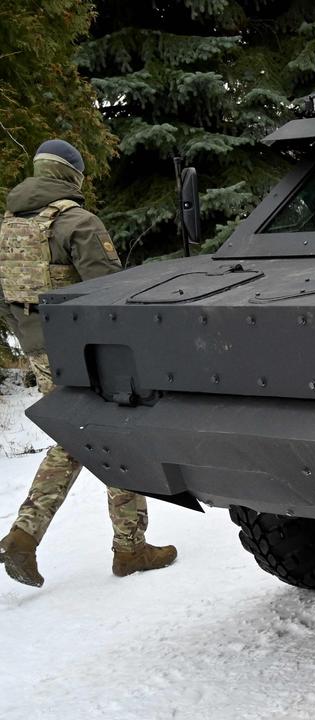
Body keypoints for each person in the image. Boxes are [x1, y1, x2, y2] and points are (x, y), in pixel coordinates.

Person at [0, 140, 177, 588]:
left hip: (38, 351)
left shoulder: (6, 226)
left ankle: (28, 535)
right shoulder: (78, 222)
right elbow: (109, 296)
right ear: (72, 175)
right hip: (87, 353)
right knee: (111, 436)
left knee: (80, 436)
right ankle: (128, 548)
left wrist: (27, 339)